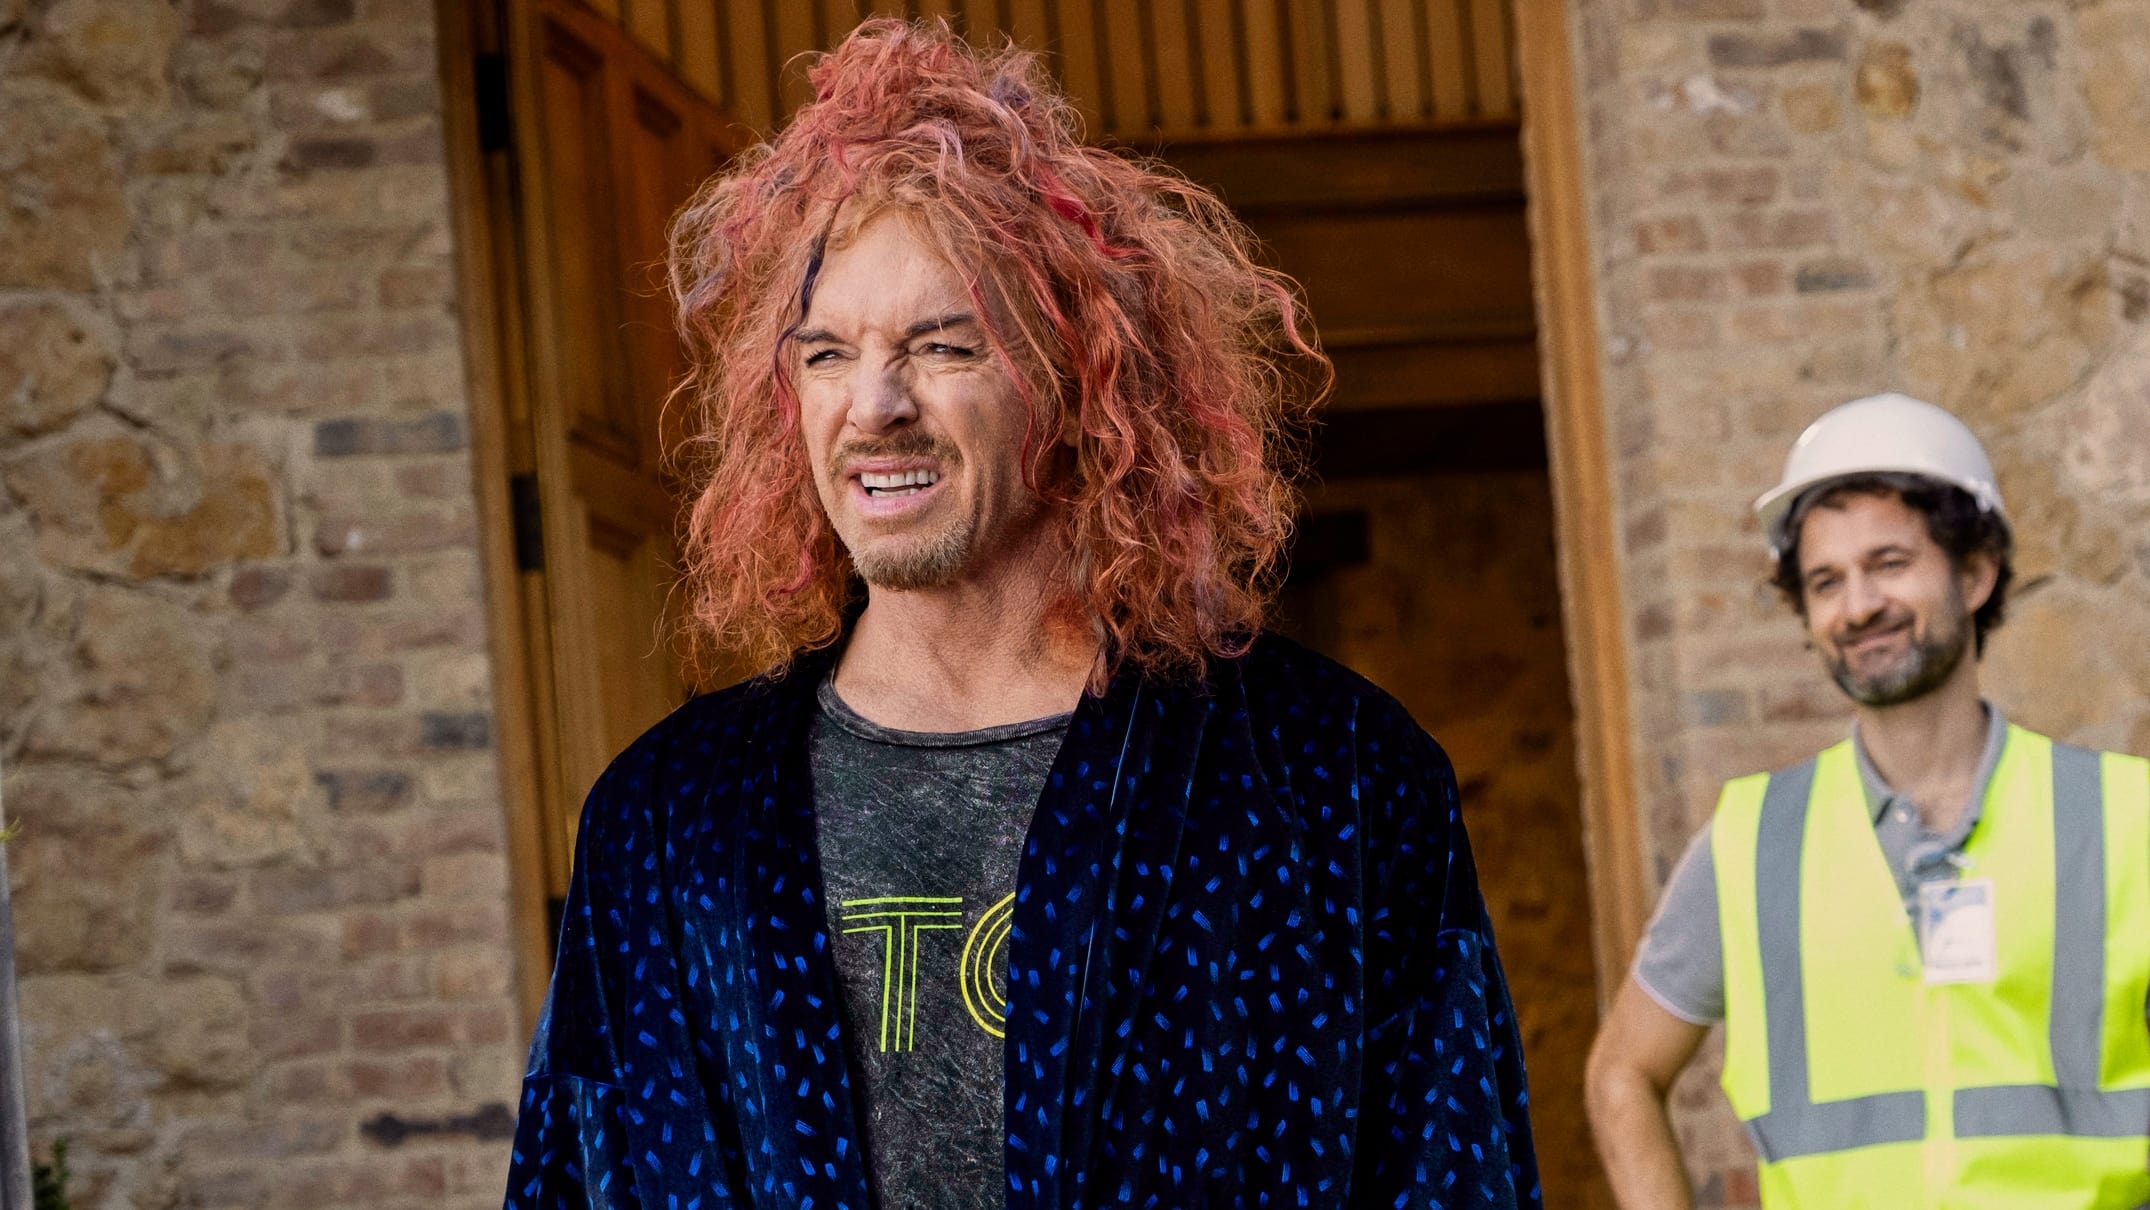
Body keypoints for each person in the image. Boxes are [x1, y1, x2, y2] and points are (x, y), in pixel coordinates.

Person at [501, 19, 1539, 1210]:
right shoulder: (666, 819)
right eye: (826, 354)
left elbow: (1456, 1174)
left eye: (942, 344)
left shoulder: (1331, 775)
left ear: (1081, 378)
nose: (873, 405)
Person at [1585, 392, 2150, 1208]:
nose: (1858, 607)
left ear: (1975, 573)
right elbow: (1622, 1073)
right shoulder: (1754, 845)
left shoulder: (2124, 820)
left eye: (1889, 563)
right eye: (1826, 582)